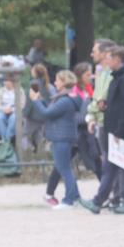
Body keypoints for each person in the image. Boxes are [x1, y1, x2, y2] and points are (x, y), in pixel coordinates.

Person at [80, 46, 124, 215]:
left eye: (109, 58)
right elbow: (119, 105)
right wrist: (106, 107)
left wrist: (120, 131)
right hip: (114, 130)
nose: (106, 61)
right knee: (110, 167)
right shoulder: (117, 78)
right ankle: (98, 201)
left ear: (117, 59)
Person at [29, 70, 83, 209]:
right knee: (66, 168)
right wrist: (40, 100)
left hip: (61, 137)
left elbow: (47, 113)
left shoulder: (65, 100)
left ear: (64, 82)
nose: (55, 82)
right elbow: (51, 110)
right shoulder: (66, 98)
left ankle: (69, 200)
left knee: (64, 169)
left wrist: (35, 101)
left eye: (58, 80)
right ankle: (76, 197)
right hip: (63, 136)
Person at [85, 39, 118, 205]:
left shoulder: (110, 74)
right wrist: (92, 117)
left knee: (110, 161)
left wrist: (93, 113)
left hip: (108, 121)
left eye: (95, 51)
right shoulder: (101, 74)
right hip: (101, 120)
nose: (92, 54)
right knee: (107, 160)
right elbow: (96, 97)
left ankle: (110, 196)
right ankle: (111, 195)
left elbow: (101, 98)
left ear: (105, 53)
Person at [0, 76, 18, 141]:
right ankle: (6, 140)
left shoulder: (19, 90)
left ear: (12, 82)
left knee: (13, 118)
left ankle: (6, 140)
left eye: (7, 81)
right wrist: (3, 109)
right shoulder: (0, 90)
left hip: (15, 110)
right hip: (3, 110)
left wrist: (12, 109)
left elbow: (22, 104)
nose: (5, 83)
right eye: (4, 81)